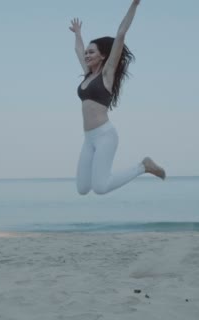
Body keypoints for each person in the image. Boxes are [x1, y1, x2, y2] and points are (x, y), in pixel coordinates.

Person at [69, 0, 165, 195]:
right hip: (88, 138)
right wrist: (78, 34)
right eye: (87, 52)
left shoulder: (107, 74)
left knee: (101, 187)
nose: (87, 55)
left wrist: (134, 5)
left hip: (105, 135)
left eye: (91, 52)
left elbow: (120, 33)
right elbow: (78, 50)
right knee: (82, 189)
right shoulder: (88, 75)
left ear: (103, 56)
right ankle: (142, 167)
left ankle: (143, 167)